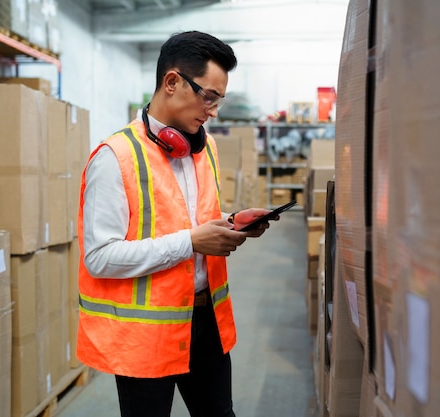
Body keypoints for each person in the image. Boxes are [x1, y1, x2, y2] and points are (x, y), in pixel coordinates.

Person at [76, 31, 275, 417]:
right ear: (172, 82)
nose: (213, 110)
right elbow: (99, 257)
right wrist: (192, 242)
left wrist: (230, 224)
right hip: (147, 336)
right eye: (209, 97)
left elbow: (191, 221)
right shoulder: (115, 156)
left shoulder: (205, 149)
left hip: (207, 321)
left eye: (219, 99)